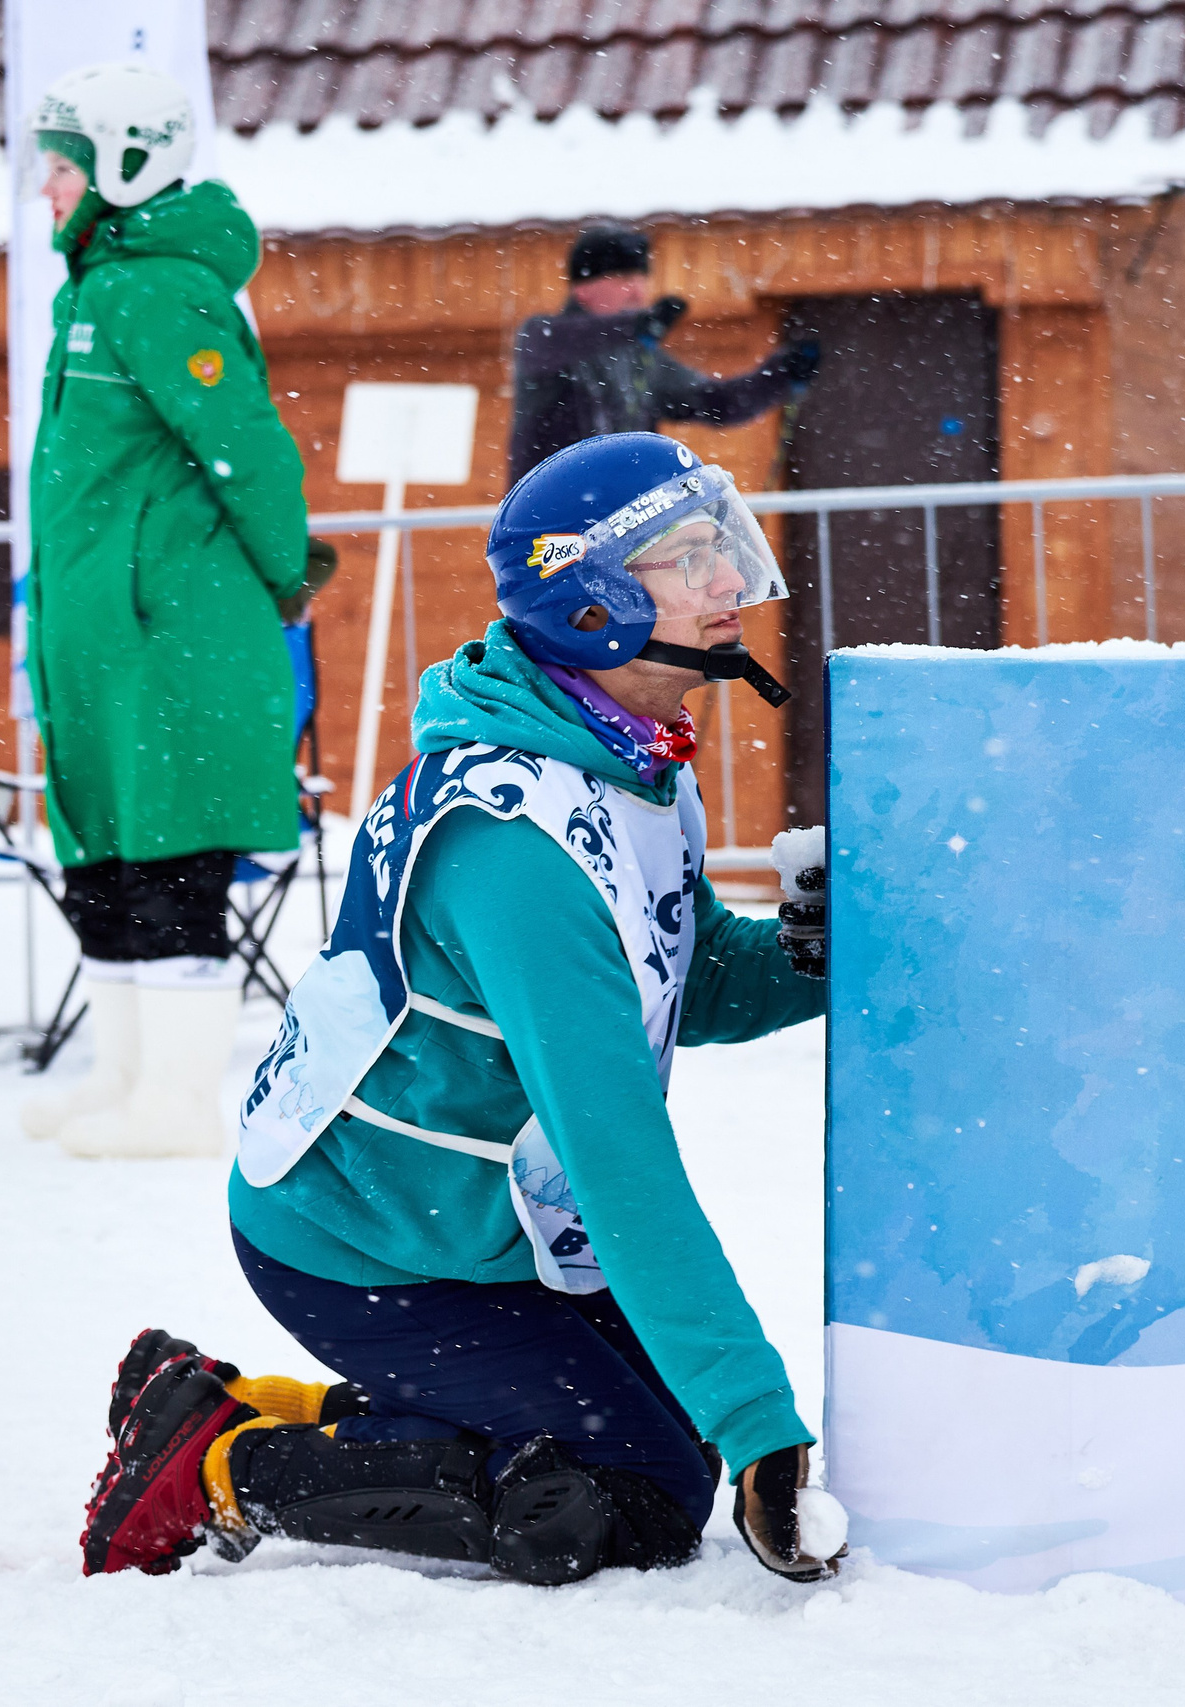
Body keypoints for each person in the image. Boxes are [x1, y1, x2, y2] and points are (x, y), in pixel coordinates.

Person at [73, 433, 844, 1586]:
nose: (730, 578)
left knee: (665, 1434)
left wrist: (826, 952)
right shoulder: (519, 848)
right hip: (366, 1244)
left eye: (717, 548)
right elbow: (616, 1158)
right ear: (588, 599)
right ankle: (214, 1463)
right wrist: (760, 1427)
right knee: (633, 1495)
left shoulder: (623, 759)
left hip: (480, 1230)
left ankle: (239, 1406)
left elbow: (690, 980)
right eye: (687, 559)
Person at [16, 63, 322, 1161]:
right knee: (101, 854)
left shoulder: (157, 289)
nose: (45, 187)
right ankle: (126, 1079)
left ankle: (181, 1104)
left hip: (173, 632)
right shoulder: (95, 287)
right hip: (103, 638)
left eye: (60, 165)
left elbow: (249, 451)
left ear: (122, 161)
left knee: (172, 856)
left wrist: (285, 576)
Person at [507, 225, 822, 480]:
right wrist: (638, 324)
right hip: (549, 518)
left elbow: (716, 402)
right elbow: (575, 337)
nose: (638, 291)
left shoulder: (641, 358)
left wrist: (779, 374)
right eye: (623, 279)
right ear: (583, 287)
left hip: (621, 517)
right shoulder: (543, 335)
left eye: (642, 279)